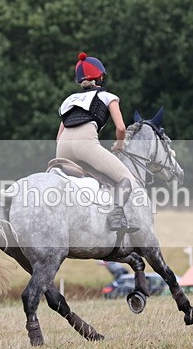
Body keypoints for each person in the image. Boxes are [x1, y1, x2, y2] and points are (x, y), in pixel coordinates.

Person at [56, 52, 138, 233]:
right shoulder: (109, 96)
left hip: (62, 148)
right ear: (100, 77)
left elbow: (59, 135)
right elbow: (121, 128)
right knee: (127, 178)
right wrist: (120, 145)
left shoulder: (69, 100)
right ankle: (116, 217)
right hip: (85, 144)